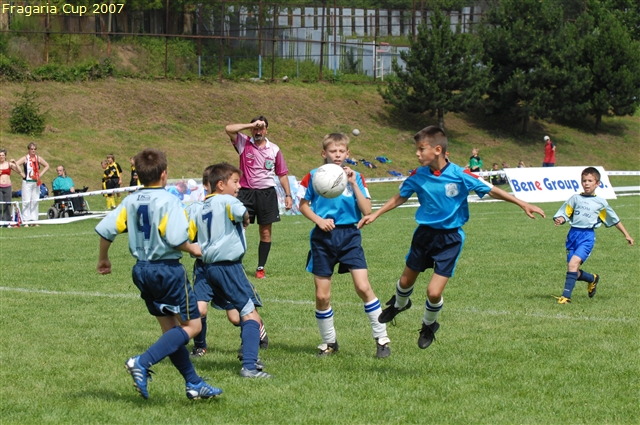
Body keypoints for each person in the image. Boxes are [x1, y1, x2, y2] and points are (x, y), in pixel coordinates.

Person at [358, 126, 545, 350]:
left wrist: (522, 203)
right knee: (406, 282)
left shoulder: (460, 174)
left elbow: (491, 189)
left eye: (421, 149)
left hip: (450, 239)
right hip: (424, 235)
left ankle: (429, 324)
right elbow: (400, 196)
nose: (417, 154)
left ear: (437, 150)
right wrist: (376, 214)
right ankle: (399, 304)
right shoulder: (419, 174)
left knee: (433, 292)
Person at [95, 148, 222, 400]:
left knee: (170, 331)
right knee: (193, 325)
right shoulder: (169, 201)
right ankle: (141, 362)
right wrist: (193, 248)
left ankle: (193, 383)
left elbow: (107, 229)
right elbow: (175, 238)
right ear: (164, 174)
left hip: (141, 270)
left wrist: (103, 258)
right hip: (167, 270)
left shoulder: (130, 200)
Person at [298, 133, 391, 358]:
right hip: (323, 238)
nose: (337, 155)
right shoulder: (313, 176)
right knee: (322, 296)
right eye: (333, 151)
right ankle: (329, 342)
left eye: (341, 151)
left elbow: (367, 210)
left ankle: (382, 339)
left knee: (363, 287)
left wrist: (353, 184)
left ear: (348, 153)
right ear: (324, 153)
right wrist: (319, 220)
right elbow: (303, 205)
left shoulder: (356, 176)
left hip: (350, 235)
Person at [186, 162, 272, 378]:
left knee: (235, 317)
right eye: (235, 182)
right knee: (248, 314)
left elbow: (186, 233)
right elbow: (242, 212)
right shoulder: (228, 201)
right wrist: (245, 220)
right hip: (226, 267)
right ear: (221, 184)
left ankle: (248, 347)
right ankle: (250, 365)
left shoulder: (197, 207)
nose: (239, 186)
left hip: (209, 266)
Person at [553, 167, 634, 304]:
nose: (586, 183)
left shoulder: (601, 203)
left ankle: (566, 297)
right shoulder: (575, 198)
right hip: (573, 235)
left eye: (590, 181)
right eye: (584, 180)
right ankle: (592, 279)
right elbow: (565, 212)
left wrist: (627, 235)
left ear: (597, 184)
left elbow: (615, 220)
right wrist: (561, 219)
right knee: (573, 269)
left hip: (587, 237)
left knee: (573, 264)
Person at [225, 115, 293, 279]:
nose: (258, 131)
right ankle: (235, 265)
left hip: (266, 194)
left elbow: (282, 174)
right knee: (239, 229)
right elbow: (228, 128)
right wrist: (251, 124)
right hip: (245, 193)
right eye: (255, 128)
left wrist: (288, 195)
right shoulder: (243, 143)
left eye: (261, 128)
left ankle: (260, 268)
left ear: (266, 130)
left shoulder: (274, 149)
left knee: (265, 233)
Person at [13, 143, 49, 226]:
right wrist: (21, 174)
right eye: (31, 149)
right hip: (27, 182)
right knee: (26, 201)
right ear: (28, 150)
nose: (33, 151)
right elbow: (15, 165)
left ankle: (34, 220)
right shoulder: (25, 158)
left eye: (34, 149)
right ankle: (26, 220)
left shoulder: (38, 158)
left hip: (36, 182)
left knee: (35, 201)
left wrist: (40, 174)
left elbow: (47, 165)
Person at [0, 149, 25, 226]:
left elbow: (19, 171)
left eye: (3, 155)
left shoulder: (9, 164)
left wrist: (15, 163)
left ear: (5, 156)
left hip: (7, 186)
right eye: (0, 155)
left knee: (8, 204)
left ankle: (7, 221)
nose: (1, 157)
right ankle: (0, 221)